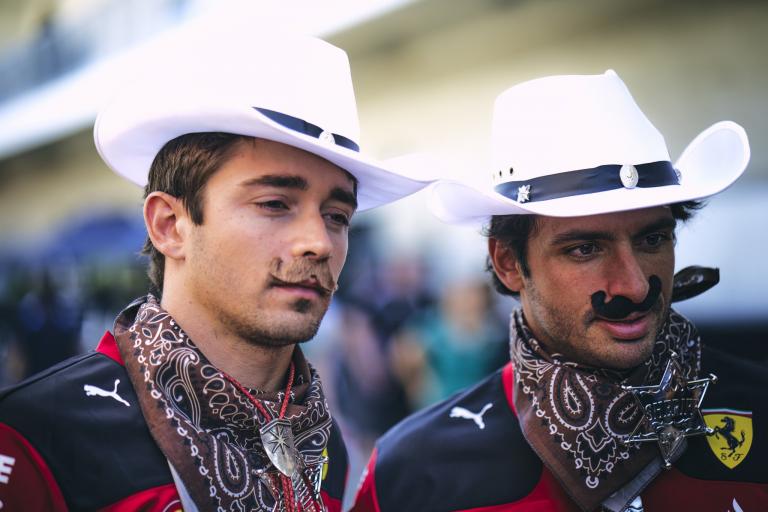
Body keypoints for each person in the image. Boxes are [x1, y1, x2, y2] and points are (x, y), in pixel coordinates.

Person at [0, 28, 430, 512]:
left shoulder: (318, 440)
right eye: (274, 204)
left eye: (337, 216)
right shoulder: (36, 439)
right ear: (169, 226)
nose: (319, 242)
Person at [352, 71, 767, 511]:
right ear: (508, 263)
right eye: (585, 249)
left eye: (652, 239)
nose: (633, 285)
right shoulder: (415, 472)